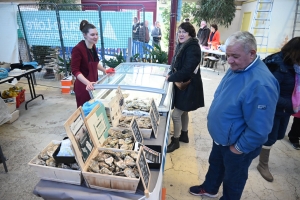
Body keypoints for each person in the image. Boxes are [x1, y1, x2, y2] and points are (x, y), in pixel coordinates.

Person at [189, 31, 279, 199]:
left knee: (233, 179)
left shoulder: (261, 84)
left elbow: (260, 130)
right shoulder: (238, 66)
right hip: (222, 138)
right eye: (227, 55)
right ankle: (210, 188)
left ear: (251, 53)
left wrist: (238, 148)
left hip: (237, 145)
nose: (229, 61)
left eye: (235, 56)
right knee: (216, 164)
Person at [257, 37, 300, 182]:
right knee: (270, 138)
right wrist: (290, 104)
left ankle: (257, 146)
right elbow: (268, 93)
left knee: (279, 135)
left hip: (285, 108)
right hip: (274, 108)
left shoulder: (294, 66)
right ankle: (263, 165)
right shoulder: (278, 65)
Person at [166, 22, 205, 153]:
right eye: (179, 31)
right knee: (184, 111)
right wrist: (171, 73)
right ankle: (184, 135)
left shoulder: (193, 48)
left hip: (189, 86)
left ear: (190, 34)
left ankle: (175, 141)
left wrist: (170, 77)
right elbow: (179, 66)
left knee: (176, 115)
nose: (180, 34)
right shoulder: (183, 45)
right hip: (184, 84)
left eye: (184, 32)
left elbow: (187, 70)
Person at [71, 20, 106, 108]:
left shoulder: (93, 46)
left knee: (94, 108)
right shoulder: (78, 49)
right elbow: (75, 70)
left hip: (93, 83)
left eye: (96, 34)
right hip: (83, 86)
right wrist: (88, 83)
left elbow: (94, 63)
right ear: (85, 35)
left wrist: (105, 70)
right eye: (92, 35)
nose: (95, 37)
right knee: (85, 110)